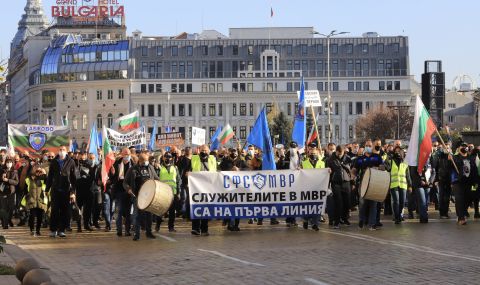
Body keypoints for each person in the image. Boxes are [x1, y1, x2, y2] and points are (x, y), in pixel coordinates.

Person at [124, 153, 160, 241]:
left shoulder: (150, 168)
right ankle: (137, 234)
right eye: (144, 161)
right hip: (137, 195)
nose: (146, 162)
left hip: (149, 195)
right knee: (137, 215)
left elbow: (156, 178)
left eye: (147, 160)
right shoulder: (132, 169)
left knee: (149, 215)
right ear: (140, 160)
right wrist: (128, 189)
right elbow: (125, 182)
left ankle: (149, 232)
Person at [45, 146, 77, 238]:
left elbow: (74, 179)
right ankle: (53, 230)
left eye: (63, 150)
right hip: (55, 190)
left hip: (66, 191)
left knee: (64, 211)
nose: (61, 151)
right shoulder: (54, 162)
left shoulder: (71, 162)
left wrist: (73, 192)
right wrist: (47, 189)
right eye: (60, 150)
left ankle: (62, 230)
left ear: (66, 152)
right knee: (54, 210)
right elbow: (50, 176)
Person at [352, 139, 384, 230]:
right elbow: (354, 170)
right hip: (363, 184)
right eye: (367, 145)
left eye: (370, 146)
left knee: (373, 204)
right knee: (362, 204)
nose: (368, 147)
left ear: (373, 147)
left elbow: (383, 168)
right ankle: (361, 220)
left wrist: (377, 167)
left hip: (374, 184)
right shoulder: (360, 159)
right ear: (364, 146)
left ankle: (372, 224)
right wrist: (352, 177)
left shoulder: (377, 157)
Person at [190, 144, 217, 236]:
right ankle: (195, 229)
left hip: (208, 187)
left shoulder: (213, 159)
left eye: (206, 150)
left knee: (206, 209)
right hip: (196, 187)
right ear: (199, 150)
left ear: (209, 151)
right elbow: (189, 169)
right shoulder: (194, 158)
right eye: (202, 150)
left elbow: (216, 172)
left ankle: (204, 229)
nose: (204, 152)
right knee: (196, 208)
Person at [450, 142, 478, 225]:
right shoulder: (454, 158)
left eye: (466, 146)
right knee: (459, 199)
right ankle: (461, 218)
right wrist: (449, 159)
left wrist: (476, 184)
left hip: (469, 182)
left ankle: (463, 212)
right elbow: (450, 167)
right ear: (459, 148)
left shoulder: (471, 158)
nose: (465, 147)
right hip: (458, 182)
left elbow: (474, 171)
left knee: (470, 197)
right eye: (463, 146)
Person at [327, 145, 352, 229]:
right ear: (336, 151)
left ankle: (345, 219)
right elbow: (327, 171)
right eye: (339, 153)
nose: (340, 155)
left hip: (346, 182)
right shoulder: (330, 159)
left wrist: (352, 182)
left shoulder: (347, 158)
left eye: (341, 153)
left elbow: (351, 170)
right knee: (338, 203)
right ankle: (336, 221)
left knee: (347, 202)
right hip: (336, 183)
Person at [111, 148, 134, 237]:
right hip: (119, 191)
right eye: (125, 154)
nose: (127, 156)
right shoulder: (116, 164)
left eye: (128, 154)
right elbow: (112, 178)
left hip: (128, 191)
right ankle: (119, 230)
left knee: (128, 212)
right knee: (119, 211)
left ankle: (127, 230)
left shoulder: (133, 165)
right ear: (122, 154)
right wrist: (112, 174)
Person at [301, 148, 325, 231]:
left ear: (318, 154)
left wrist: (328, 171)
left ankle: (315, 223)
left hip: (318, 187)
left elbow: (324, 174)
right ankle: (305, 220)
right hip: (307, 188)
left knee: (317, 206)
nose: (313, 154)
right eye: (311, 153)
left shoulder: (322, 163)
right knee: (307, 206)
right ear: (308, 154)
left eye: (315, 153)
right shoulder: (303, 163)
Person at [385, 146, 410, 224]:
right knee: (396, 201)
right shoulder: (391, 161)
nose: (398, 152)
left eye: (399, 151)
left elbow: (408, 175)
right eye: (396, 151)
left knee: (402, 202)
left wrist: (410, 185)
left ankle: (399, 215)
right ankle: (396, 218)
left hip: (403, 185)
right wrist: (388, 158)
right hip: (394, 184)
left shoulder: (405, 163)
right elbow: (387, 168)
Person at [157, 151, 180, 232]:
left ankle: (171, 227)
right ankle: (158, 226)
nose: (168, 159)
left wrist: (178, 192)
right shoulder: (159, 168)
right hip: (162, 193)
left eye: (169, 157)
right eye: (166, 157)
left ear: (171, 158)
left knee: (172, 212)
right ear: (163, 158)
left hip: (172, 193)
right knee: (160, 211)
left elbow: (178, 181)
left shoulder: (175, 168)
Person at [24, 166, 48, 236]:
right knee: (32, 216)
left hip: (41, 200)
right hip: (32, 200)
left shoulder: (43, 179)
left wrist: (44, 173)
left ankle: (38, 230)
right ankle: (32, 230)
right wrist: (27, 196)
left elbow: (48, 181)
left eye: (39, 172)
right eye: (37, 171)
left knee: (40, 217)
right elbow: (25, 189)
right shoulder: (29, 179)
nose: (38, 173)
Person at [76, 152, 96, 232]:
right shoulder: (75, 166)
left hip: (88, 190)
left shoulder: (90, 166)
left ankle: (86, 225)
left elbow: (93, 177)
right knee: (78, 210)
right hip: (79, 191)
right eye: (80, 159)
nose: (82, 160)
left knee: (88, 210)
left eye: (83, 158)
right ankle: (79, 226)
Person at [0, 158, 19, 229]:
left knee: (11, 208)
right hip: (3, 191)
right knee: (4, 208)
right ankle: (5, 224)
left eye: (10, 162)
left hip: (11, 191)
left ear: (12, 163)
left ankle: (8, 220)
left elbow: (16, 182)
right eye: (7, 163)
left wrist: (8, 180)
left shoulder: (15, 171)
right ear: (5, 163)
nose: (9, 164)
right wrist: (2, 179)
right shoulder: (2, 170)